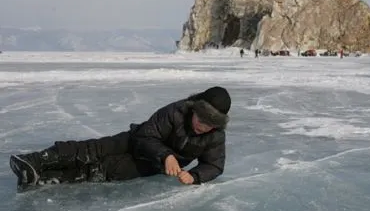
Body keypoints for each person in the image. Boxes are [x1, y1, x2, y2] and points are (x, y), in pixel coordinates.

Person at [9, 86, 231, 191]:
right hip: (135, 140)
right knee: (91, 150)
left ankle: (46, 178)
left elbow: (214, 164)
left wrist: (194, 176)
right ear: (194, 109)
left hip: (149, 165)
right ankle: (36, 160)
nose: (203, 127)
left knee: (103, 171)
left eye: (210, 124)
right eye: (201, 120)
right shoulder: (175, 112)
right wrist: (167, 156)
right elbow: (147, 135)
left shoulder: (215, 136)